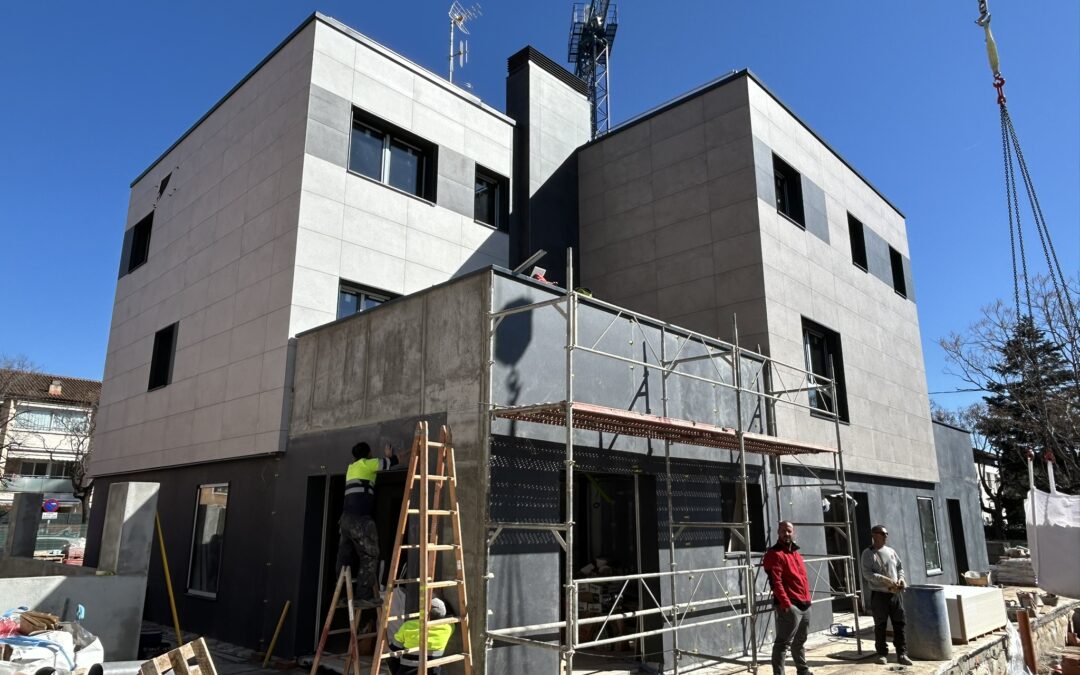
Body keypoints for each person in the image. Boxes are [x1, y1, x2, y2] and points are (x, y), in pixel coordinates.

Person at [337, 441, 398, 607]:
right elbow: (390, 463)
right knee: (370, 554)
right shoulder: (367, 464)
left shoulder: (351, 468)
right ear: (369, 453)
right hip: (359, 518)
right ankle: (363, 596)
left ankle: (343, 595)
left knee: (345, 557)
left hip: (345, 519)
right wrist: (389, 456)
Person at [762, 521, 814, 675]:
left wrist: (808, 600)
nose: (786, 534)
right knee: (782, 644)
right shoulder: (774, 554)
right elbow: (775, 582)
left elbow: (802, 579)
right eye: (783, 531)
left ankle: (802, 670)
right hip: (789, 604)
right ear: (778, 532)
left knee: (799, 642)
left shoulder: (796, 553)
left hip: (804, 603)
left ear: (794, 533)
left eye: (789, 531)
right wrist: (785, 604)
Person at [860, 524, 911, 666]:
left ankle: (902, 653)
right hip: (880, 595)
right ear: (874, 535)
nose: (886, 536)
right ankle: (882, 654)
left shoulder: (891, 551)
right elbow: (867, 573)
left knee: (899, 624)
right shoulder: (868, 553)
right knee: (880, 625)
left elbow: (900, 567)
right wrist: (884, 580)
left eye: (886, 533)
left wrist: (901, 579)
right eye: (883, 533)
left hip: (895, 594)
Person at [389, 597, 454, 675]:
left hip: (408, 670)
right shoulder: (449, 627)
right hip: (432, 671)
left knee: (392, 655)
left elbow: (395, 648)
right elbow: (450, 614)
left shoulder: (408, 625)